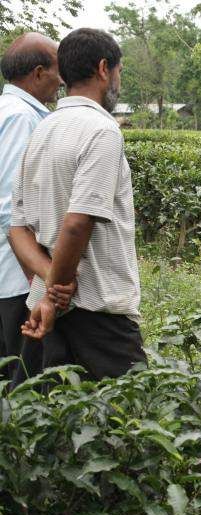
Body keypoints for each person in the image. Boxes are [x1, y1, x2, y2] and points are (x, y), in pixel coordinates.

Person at [8, 28, 145, 380]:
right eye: (119, 70)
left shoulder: (44, 127)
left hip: (45, 305)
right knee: (132, 419)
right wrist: (57, 295)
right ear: (104, 69)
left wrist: (49, 284)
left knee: (47, 419)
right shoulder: (102, 130)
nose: (118, 79)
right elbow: (77, 223)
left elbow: (17, 228)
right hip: (97, 310)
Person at [0, 32, 68, 386]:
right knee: (25, 383)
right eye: (58, 70)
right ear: (39, 73)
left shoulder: (7, 111)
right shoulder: (22, 119)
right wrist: (47, 273)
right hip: (16, 277)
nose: (62, 80)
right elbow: (13, 210)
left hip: (12, 273)